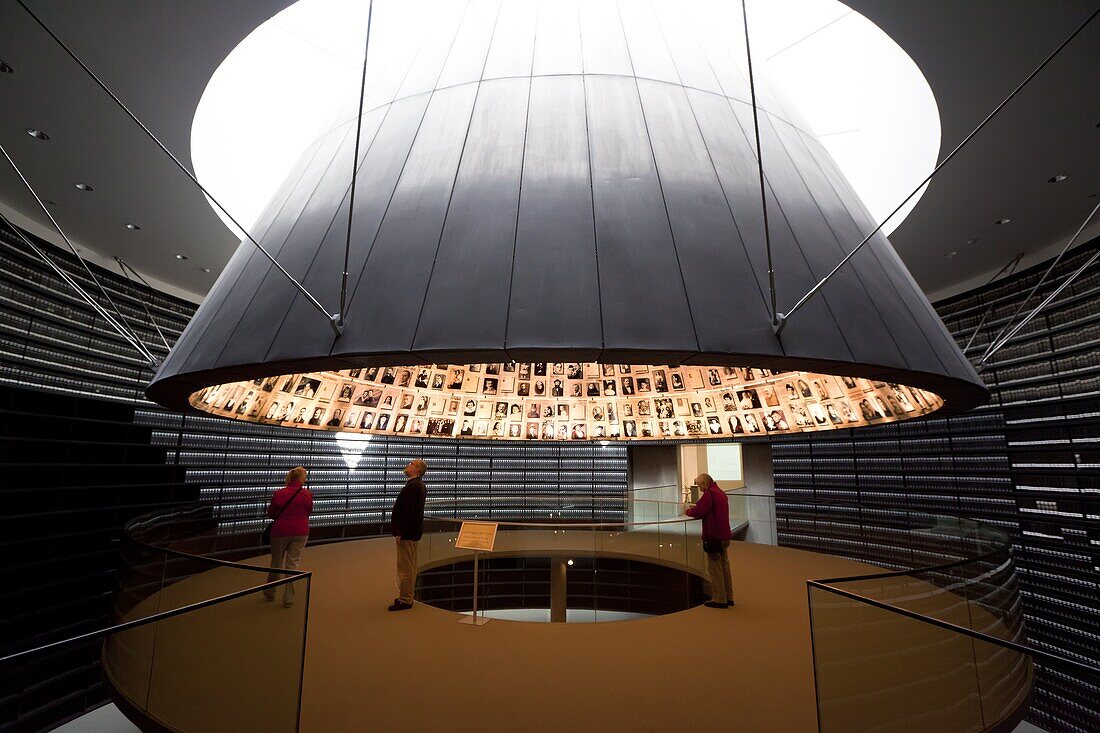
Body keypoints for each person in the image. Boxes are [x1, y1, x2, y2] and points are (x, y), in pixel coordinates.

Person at [265, 467, 312, 608]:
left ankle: (270, 591)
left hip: (280, 532)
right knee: (293, 564)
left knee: (276, 562)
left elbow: (271, 513)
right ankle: (289, 598)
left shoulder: (279, 493)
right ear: (301, 478)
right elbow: (308, 511)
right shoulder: (307, 494)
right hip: (300, 531)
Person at [685, 472, 733, 608]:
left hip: (713, 536)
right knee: (724, 567)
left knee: (715, 568)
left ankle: (719, 599)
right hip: (724, 535)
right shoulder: (721, 493)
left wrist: (687, 512)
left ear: (705, 483)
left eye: (700, 485)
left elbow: (699, 511)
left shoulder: (710, 494)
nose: (699, 488)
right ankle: (729, 596)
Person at [389, 459, 428, 611]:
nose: (408, 465)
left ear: (417, 469)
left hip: (407, 533)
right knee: (410, 566)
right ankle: (407, 596)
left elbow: (408, 512)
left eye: (411, 463)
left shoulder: (413, 486)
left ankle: (405, 599)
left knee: (405, 568)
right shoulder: (418, 485)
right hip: (412, 532)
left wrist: (400, 531)